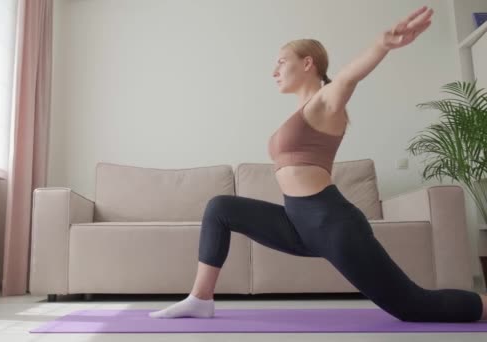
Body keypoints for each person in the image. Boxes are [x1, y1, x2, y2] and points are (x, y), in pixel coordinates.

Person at [149, 5, 487, 322]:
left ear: (308, 63)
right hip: (297, 223)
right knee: (220, 207)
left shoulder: (325, 103)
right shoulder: (300, 113)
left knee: (413, 305)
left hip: (331, 224)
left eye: (281, 61)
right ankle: (201, 299)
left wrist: (381, 46)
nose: (274, 71)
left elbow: (347, 79)